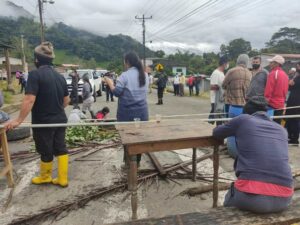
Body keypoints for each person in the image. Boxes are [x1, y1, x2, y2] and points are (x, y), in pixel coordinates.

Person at [4, 42, 70, 187]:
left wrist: (19, 120)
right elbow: (67, 100)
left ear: (36, 60)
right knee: (60, 147)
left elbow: (29, 99)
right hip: (60, 119)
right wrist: (56, 108)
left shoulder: (35, 74)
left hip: (44, 121)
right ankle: (63, 179)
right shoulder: (60, 77)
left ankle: (45, 177)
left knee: (45, 149)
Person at [213, 96, 293, 214]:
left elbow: (217, 133)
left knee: (228, 203)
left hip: (251, 197)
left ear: (246, 111)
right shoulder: (281, 130)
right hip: (285, 199)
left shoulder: (243, 119)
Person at [104, 51, 148, 168]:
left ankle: (129, 163)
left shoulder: (125, 75)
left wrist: (110, 83)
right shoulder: (145, 75)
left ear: (127, 62)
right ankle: (136, 163)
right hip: (142, 113)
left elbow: (117, 92)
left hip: (127, 114)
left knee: (127, 138)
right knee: (139, 137)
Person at [222, 54, 252, 158]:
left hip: (233, 105)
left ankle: (233, 153)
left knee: (232, 130)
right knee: (242, 131)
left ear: (238, 61)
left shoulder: (232, 71)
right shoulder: (249, 73)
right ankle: (240, 153)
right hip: (245, 107)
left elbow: (223, 84)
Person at [264, 55, 289, 124]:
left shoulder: (272, 73)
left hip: (271, 105)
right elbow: (286, 90)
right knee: (277, 126)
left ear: (276, 63)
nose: (270, 64)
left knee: (268, 126)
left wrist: (265, 103)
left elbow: (268, 91)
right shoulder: (285, 75)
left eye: (271, 62)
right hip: (281, 105)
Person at [209, 56, 229, 123]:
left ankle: (219, 132)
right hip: (215, 100)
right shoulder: (216, 73)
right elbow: (212, 87)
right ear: (224, 63)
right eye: (227, 63)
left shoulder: (222, 73)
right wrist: (222, 87)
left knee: (220, 120)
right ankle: (218, 133)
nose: (227, 65)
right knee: (219, 120)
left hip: (221, 99)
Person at [285, 62, 300, 145]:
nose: (297, 68)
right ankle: (290, 136)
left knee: (295, 120)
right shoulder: (296, 76)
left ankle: (294, 139)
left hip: (296, 102)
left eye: (298, 67)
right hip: (292, 100)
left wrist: (291, 83)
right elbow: (290, 86)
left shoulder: (297, 77)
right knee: (290, 119)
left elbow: (291, 84)